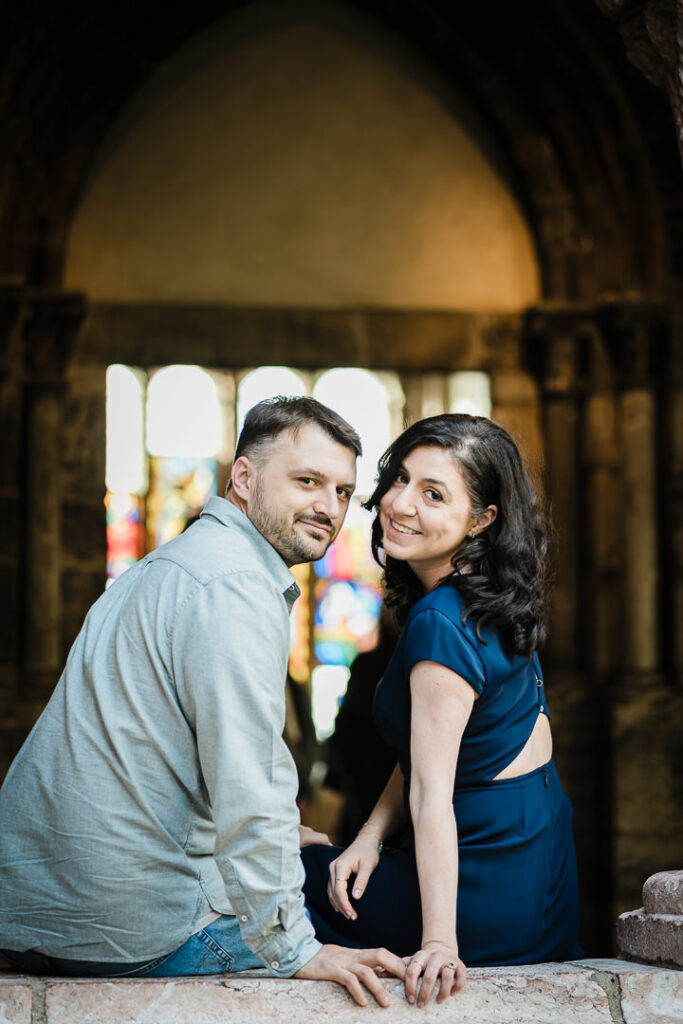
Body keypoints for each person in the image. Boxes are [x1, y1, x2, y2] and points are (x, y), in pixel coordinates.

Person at [0, 396, 405, 1008]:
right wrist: (296, 949)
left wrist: (261, 840)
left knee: (313, 859)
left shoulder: (174, 564)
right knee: (394, 938)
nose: (329, 506)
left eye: (344, 491)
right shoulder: (235, 585)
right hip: (134, 929)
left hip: (43, 912)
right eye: (307, 481)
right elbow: (251, 779)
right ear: (242, 478)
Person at [302, 413, 582, 1008]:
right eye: (400, 480)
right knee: (320, 859)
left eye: (433, 494)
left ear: (482, 520)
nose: (399, 504)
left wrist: (438, 942)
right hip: (539, 874)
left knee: (270, 880)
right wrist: (370, 838)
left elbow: (432, 793)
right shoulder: (488, 597)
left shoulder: (439, 622)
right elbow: (433, 751)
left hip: (480, 897)